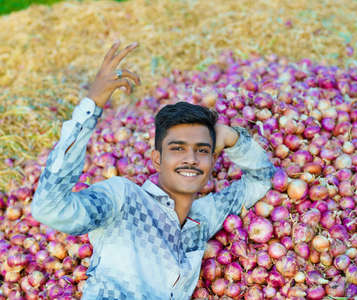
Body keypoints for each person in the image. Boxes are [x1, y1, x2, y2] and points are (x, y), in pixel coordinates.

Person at [31, 41, 276, 300]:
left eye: (202, 150)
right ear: (157, 159)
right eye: (178, 148)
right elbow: (49, 209)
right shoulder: (123, 199)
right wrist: (90, 107)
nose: (191, 159)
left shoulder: (202, 220)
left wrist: (231, 137)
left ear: (212, 161)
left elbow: (263, 179)